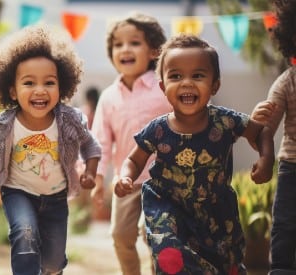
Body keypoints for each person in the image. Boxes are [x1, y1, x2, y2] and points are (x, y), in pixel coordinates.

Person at [114, 34, 274, 274]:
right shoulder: (158, 129)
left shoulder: (225, 121)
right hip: (167, 206)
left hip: (215, 211)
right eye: (176, 76)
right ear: (163, 86)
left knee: (225, 264)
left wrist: (266, 159)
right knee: (169, 256)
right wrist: (125, 176)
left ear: (215, 84)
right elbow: (133, 160)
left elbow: (262, 132)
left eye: (197, 75)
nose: (186, 83)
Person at [0, 24, 102, 275]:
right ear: (12, 90)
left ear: (61, 85)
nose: (40, 90)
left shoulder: (69, 120)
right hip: (18, 192)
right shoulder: (6, 124)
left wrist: (90, 171)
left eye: (49, 82)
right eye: (29, 83)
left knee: (53, 264)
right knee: (24, 233)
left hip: (56, 197)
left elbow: (91, 145)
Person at [89, 12, 171, 275]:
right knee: (121, 236)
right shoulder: (109, 97)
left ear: (153, 51)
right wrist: (97, 178)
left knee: (155, 238)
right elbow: (100, 141)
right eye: (118, 44)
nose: (125, 49)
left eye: (134, 42)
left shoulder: (165, 88)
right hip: (127, 182)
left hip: (165, 182)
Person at [250, 0, 296, 273]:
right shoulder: (287, 82)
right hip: (293, 166)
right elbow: (266, 130)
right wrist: (256, 122)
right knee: (285, 225)